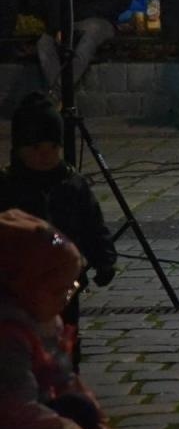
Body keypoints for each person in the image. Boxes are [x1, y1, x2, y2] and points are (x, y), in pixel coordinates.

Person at [0, 209, 147, 429]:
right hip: (13, 426)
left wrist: (96, 425)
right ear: (18, 287)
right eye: (59, 291)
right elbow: (18, 412)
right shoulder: (8, 336)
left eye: (72, 288)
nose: (67, 299)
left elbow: (63, 377)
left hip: (34, 413)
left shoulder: (44, 319)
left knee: (80, 407)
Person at [0, 95, 116, 370]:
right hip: (19, 284)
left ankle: (66, 378)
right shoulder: (7, 187)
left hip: (65, 284)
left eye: (53, 147)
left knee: (66, 336)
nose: (46, 154)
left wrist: (104, 259)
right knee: (22, 340)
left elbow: (93, 226)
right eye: (36, 147)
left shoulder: (73, 185)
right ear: (19, 149)